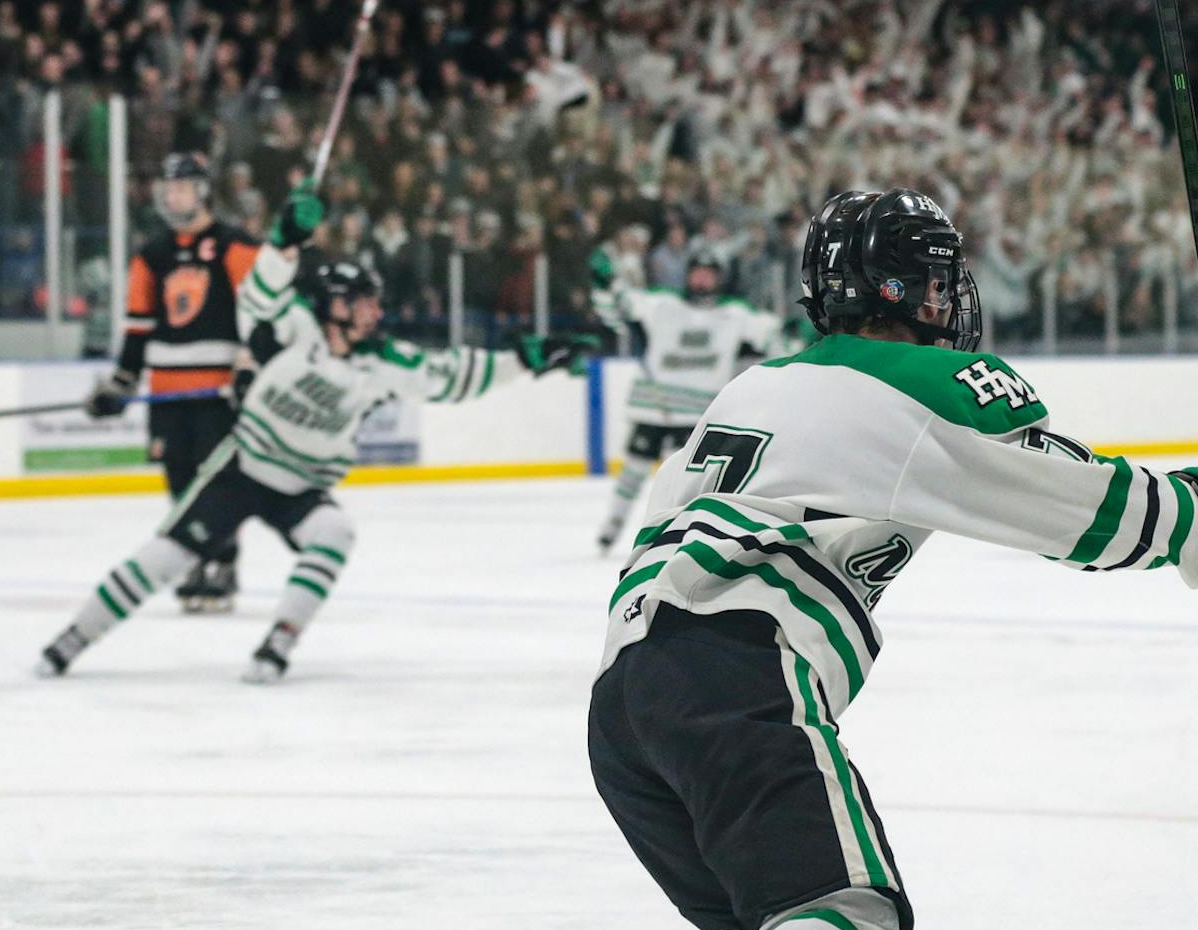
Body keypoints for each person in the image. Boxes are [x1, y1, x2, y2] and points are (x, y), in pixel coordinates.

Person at [467, 189, 1198, 930]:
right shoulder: (918, 377)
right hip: (740, 672)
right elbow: (1075, 506)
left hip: (630, 694)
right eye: (942, 278)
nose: (958, 301)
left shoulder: (765, 379)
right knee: (851, 911)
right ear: (908, 289)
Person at [39, 191, 596, 683]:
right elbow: (258, 297)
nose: (375, 312)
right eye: (363, 302)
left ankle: (279, 640)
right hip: (242, 468)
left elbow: (452, 377)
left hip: (302, 485)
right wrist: (283, 243)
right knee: (164, 558)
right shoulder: (294, 326)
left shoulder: (383, 361)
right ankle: (74, 638)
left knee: (334, 531)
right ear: (332, 305)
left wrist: (527, 359)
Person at [88, 152, 261, 612]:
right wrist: (122, 382)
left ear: (202, 191)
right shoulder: (152, 255)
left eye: (181, 187)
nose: (172, 196)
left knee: (216, 481)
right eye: (167, 189)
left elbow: (260, 318)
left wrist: (249, 368)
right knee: (179, 482)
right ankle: (192, 560)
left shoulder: (235, 247)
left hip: (216, 394)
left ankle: (222, 560)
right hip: (167, 393)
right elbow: (138, 326)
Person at [591, 246, 782, 551]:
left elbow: (774, 337)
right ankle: (612, 526)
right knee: (634, 471)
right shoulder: (662, 303)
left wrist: (805, 332)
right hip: (654, 408)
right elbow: (618, 309)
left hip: (698, 416)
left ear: (719, 278)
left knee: (683, 483)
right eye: (697, 273)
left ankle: (676, 533)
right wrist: (605, 285)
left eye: (709, 274)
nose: (703, 280)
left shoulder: (735, 312)